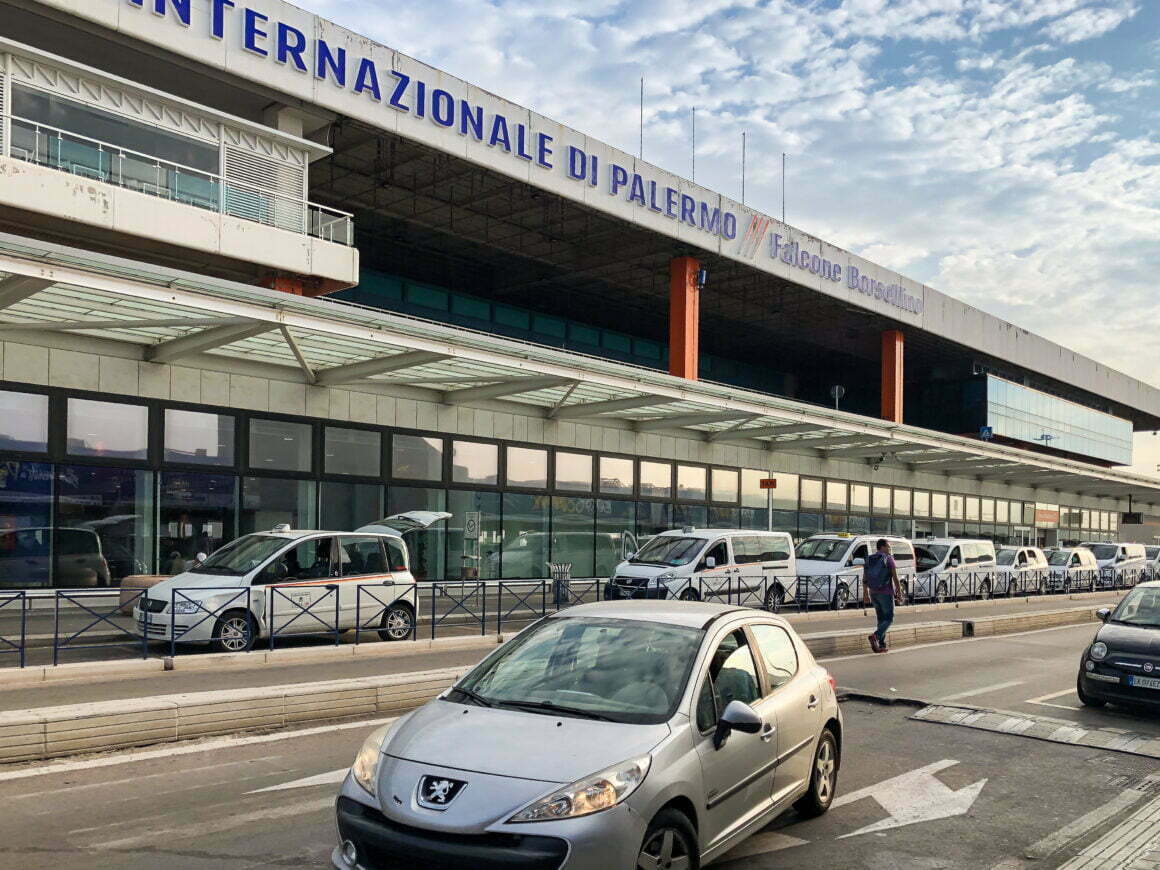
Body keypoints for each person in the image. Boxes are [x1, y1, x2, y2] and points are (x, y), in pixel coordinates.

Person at [863, 538, 902, 653]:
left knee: (881, 619)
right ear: (882, 547)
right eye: (888, 546)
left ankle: (881, 644)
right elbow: (895, 577)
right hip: (885, 592)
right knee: (889, 618)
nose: (890, 549)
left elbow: (865, 578)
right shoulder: (888, 559)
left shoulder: (869, 559)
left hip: (873, 592)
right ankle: (875, 636)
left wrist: (865, 593)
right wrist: (899, 591)